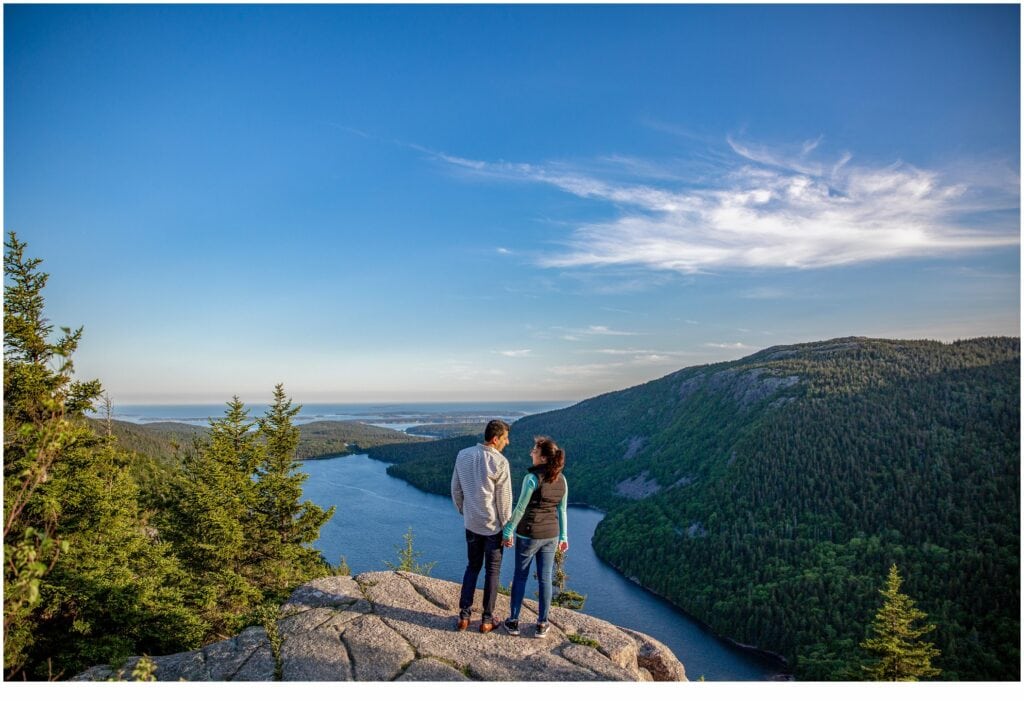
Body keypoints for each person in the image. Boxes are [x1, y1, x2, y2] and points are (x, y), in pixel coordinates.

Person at [501, 436, 568, 639]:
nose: (531, 453)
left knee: (520, 576)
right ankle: (542, 623)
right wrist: (564, 536)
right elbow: (562, 510)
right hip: (551, 535)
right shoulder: (562, 479)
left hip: (529, 534)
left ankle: (513, 621)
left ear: (544, 458)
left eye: (535, 451)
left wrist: (508, 530)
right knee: (545, 578)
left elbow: (521, 507)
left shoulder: (532, 478)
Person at [451, 419, 512, 633]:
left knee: (472, 566)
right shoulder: (500, 463)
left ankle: (464, 615)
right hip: (493, 527)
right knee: (492, 572)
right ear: (495, 439)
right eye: (505, 438)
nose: (508, 442)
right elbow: (504, 501)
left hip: (472, 524)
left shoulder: (463, 455)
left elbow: (456, 490)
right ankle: (487, 620)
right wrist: (508, 529)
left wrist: (464, 511)